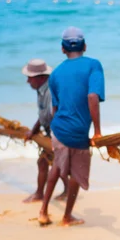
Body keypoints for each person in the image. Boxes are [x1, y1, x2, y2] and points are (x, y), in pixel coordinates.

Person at [38, 27, 105, 227]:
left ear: (62, 49)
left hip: (58, 129)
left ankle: (43, 211)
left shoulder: (56, 73)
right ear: (84, 46)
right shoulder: (94, 65)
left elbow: (55, 109)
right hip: (78, 133)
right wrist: (98, 131)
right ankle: (66, 217)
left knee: (56, 168)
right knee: (75, 175)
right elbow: (92, 97)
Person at [21, 59, 68, 203]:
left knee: (58, 164)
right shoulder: (41, 90)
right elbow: (42, 115)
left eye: (30, 77)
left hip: (58, 132)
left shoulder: (50, 91)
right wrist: (33, 130)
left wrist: (54, 139)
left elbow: (52, 115)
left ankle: (65, 192)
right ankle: (42, 193)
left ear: (40, 78)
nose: (28, 81)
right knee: (46, 163)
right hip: (51, 131)